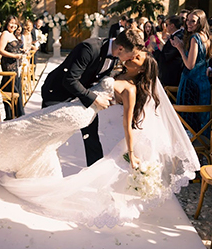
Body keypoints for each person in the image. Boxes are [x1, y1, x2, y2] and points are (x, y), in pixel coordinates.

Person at [0, 50, 200, 227]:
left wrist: (132, 154)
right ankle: (36, 173)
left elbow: (127, 124)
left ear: (141, 70)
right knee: (43, 136)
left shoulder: (130, 89)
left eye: (138, 58)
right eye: (134, 54)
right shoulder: (119, 72)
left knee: (32, 124)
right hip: (76, 105)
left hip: (79, 113)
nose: (133, 57)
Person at [42, 29, 144, 166]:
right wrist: (95, 99)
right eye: (131, 56)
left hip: (82, 96)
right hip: (57, 93)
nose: (131, 59)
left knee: (91, 136)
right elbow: (70, 80)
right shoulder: (89, 48)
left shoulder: (115, 56)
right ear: (121, 48)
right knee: (47, 135)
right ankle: (39, 167)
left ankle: (95, 172)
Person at [171, 9, 212, 135]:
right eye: (187, 20)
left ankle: (192, 151)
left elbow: (189, 65)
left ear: (200, 22)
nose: (189, 23)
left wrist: (180, 48)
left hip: (190, 84)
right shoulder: (206, 36)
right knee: (202, 120)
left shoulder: (194, 38)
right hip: (203, 83)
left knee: (188, 122)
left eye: (193, 21)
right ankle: (203, 150)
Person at [0, 15, 25, 119]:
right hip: (9, 65)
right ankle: (12, 114)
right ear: (7, 23)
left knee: (17, 87)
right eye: (11, 23)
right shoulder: (5, 34)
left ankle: (15, 114)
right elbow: (0, 50)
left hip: (16, 65)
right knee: (11, 88)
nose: (13, 25)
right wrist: (15, 55)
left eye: (15, 23)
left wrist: (21, 52)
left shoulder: (13, 35)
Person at [153, 15, 184, 87]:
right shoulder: (174, 35)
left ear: (172, 25)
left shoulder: (177, 37)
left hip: (172, 74)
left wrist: (155, 47)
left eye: (167, 24)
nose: (165, 26)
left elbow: (166, 56)